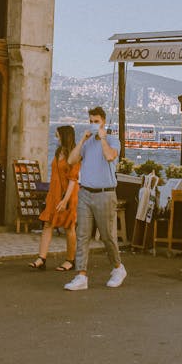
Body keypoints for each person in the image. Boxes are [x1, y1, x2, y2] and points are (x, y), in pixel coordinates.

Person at [64, 106, 127, 291]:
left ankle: (118, 267)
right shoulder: (87, 142)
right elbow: (71, 160)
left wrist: (102, 138)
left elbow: (109, 156)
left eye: (96, 121)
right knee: (82, 235)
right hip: (85, 193)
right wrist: (83, 139)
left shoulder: (113, 140)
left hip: (105, 193)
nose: (93, 125)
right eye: (91, 121)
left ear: (104, 122)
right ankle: (81, 275)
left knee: (107, 236)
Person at [28, 125, 80, 272]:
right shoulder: (58, 153)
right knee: (48, 224)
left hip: (67, 195)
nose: (55, 139)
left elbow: (73, 180)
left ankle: (70, 260)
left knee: (69, 227)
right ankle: (41, 258)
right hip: (54, 194)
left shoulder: (74, 155)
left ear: (64, 137)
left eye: (57, 136)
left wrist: (65, 200)